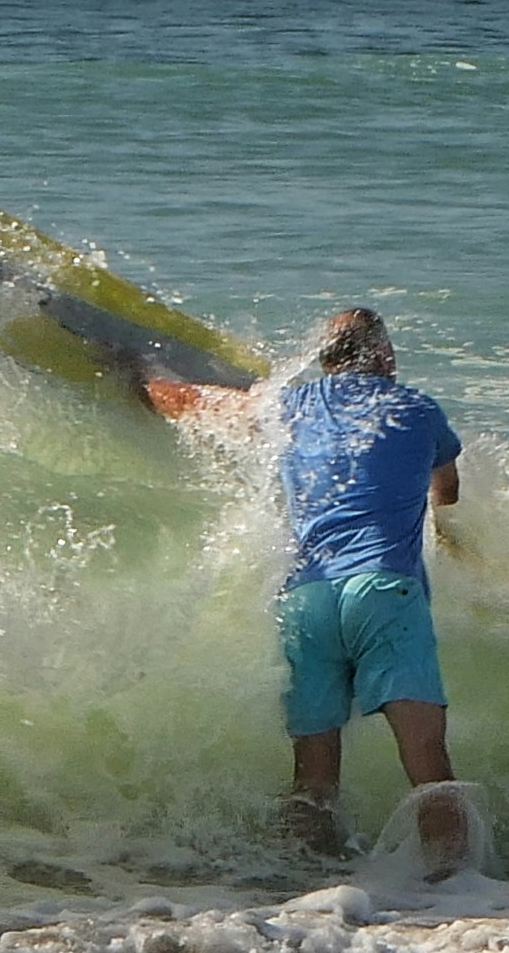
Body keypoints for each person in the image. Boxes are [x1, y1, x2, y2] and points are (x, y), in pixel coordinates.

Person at [146, 308, 471, 869]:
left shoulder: (289, 407)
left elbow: (190, 404)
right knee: (426, 761)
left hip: (308, 599)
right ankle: (456, 883)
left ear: (324, 361)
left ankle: (306, 887)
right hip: (383, 592)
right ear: (386, 359)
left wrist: (141, 379)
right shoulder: (417, 409)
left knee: (314, 774)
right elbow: (448, 492)